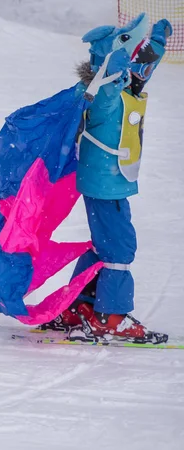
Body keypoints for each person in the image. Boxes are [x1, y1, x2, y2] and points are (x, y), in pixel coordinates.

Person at [43, 18, 173, 344]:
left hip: (108, 180)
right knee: (119, 247)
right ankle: (111, 316)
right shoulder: (105, 93)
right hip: (105, 181)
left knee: (105, 245)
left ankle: (78, 306)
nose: (137, 75)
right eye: (127, 68)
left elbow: (140, 71)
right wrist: (110, 63)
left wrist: (155, 43)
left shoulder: (121, 85)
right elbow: (109, 87)